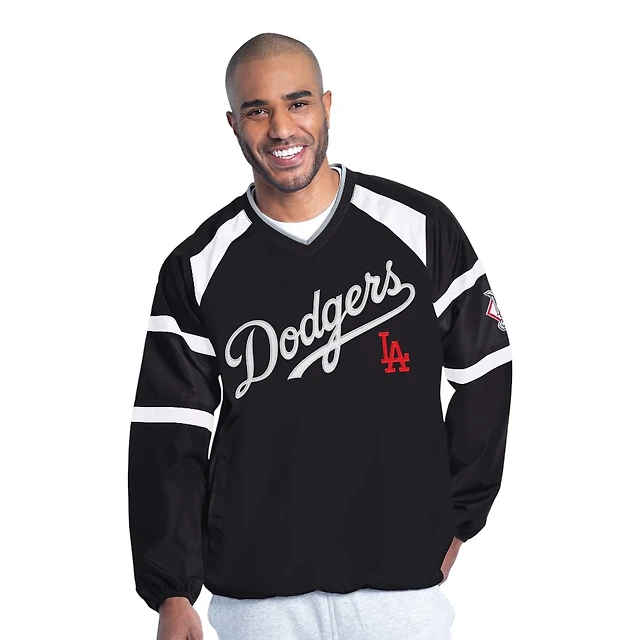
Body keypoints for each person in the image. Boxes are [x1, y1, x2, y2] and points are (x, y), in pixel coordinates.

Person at [127, 32, 513, 640]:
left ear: (327, 105)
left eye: (298, 102)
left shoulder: (419, 227)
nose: (282, 128)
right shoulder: (197, 266)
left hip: (399, 592)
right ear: (233, 124)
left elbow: (485, 372)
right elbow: (169, 433)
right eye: (258, 110)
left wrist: (460, 516)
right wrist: (172, 590)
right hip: (258, 599)